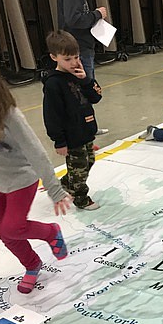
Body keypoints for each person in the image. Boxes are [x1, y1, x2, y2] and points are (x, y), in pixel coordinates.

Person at [0, 57, 71, 294]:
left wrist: (54, 189)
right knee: (5, 234)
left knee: (13, 227)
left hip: (21, 179)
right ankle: (32, 265)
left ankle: (51, 232)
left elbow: (36, 151)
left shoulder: (8, 114)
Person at [43, 30, 103, 210]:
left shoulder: (80, 74)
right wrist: (59, 141)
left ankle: (66, 183)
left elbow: (96, 97)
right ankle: (81, 198)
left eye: (76, 57)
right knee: (79, 169)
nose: (74, 62)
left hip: (86, 131)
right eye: (67, 59)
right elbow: (51, 115)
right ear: (54, 57)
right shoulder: (53, 84)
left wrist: (86, 80)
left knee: (88, 162)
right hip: (71, 136)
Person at [57, 0, 109, 136]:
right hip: (78, 49)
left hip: (83, 47)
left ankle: (88, 126)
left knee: (84, 88)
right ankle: (86, 127)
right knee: (84, 89)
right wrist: (97, 14)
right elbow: (74, 19)